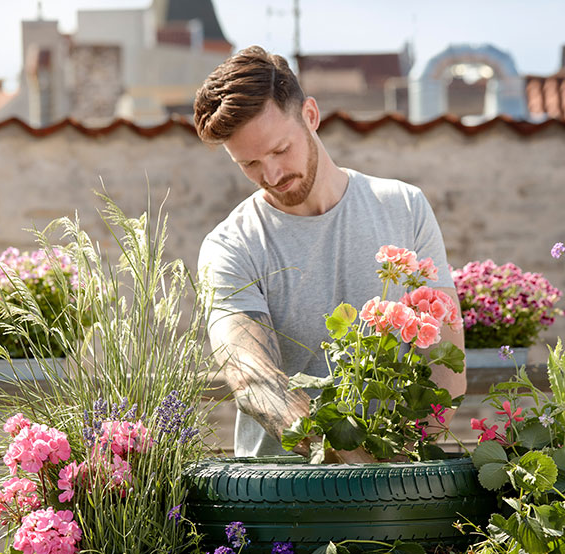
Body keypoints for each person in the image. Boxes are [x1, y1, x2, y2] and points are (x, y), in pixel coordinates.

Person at [194, 46, 464, 459]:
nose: (271, 174)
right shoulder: (231, 245)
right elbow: (250, 375)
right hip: (280, 498)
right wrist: (348, 462)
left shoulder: (405, 208)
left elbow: (446, 361)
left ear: (311, 116)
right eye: (248, 164)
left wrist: (405, 463)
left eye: (280, 150)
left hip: (399, 489)